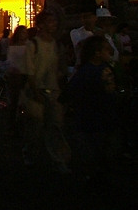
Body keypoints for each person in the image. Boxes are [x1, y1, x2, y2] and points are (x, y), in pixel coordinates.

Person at [66, 35, 119, 187]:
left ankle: (97, 175)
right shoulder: (94, 71)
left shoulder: (91, 70)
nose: (109, 52)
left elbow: (72, 90)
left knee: (99, 148)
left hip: (96, 115)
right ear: (97, 52)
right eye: (106, 49)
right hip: (96, 115)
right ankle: (97, 176)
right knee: (98, 148)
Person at [22, 10, 71, 173]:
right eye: (50, 21)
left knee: (56, 126)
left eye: (54, 21)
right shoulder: (32, 45)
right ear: (41, 24)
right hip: (37, 90)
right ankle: (31, 152)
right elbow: (29, 71)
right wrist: (35, 92)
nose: (53, 24)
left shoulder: (57, 45)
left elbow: (61, 67)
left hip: (54, 90)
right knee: (36, 127)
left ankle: (58, 159)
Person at [5, 25, 29, 135]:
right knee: (14, 100)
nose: (24, 35)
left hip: (25, 74)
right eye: (22, 32)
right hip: (15, 76)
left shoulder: (29, 46)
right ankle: (12, 125)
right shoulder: (13, 46)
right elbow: (10, 60)